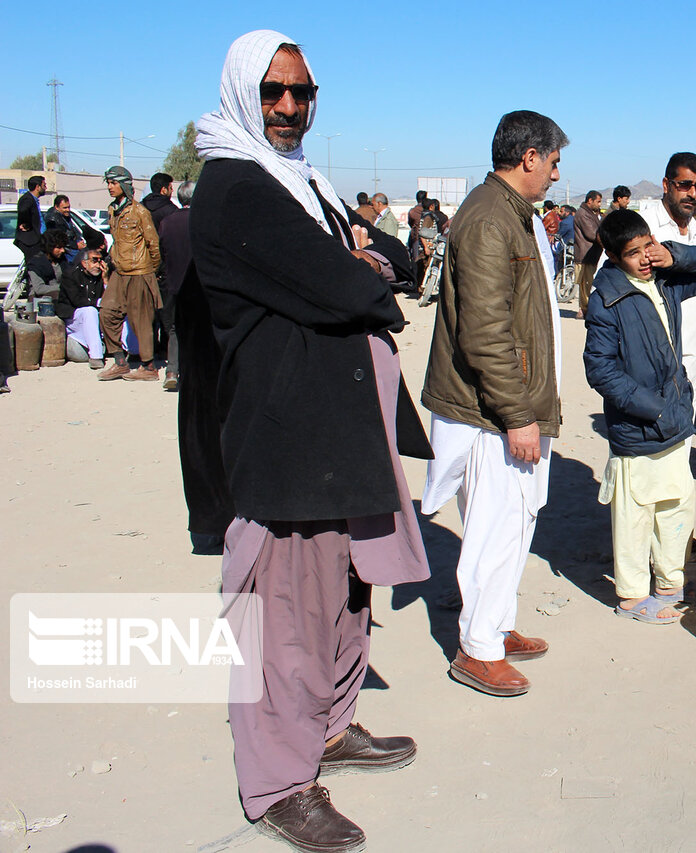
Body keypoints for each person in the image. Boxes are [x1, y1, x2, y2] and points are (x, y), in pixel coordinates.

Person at [185, 32, 431, 851]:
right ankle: (280, 782)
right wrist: (365, 275)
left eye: (302, 91)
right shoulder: (236, 186)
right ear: (242, 95)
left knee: (345, 600)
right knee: (284, 619)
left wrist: (369, 264)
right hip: (286, 438)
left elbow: (387, 255)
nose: (289, 108)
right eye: (273, 93)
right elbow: (345, 284)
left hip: (338, 432)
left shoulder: (303, 183)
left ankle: (330, 727)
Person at [420, 109, 566, 698]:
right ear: (529, 157)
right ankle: (477, 650)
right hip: (490, 413)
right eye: (554, 162)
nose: (557, 174)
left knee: (516, 522)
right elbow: (486, 330)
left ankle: (497, 625)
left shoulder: (511, 214)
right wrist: (517, 414)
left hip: (510, 404)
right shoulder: (487, 220)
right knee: (491, 527)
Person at [583, 210, 696, 622]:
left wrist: (672, 254)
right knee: (634, 513)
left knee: (676, 504)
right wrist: (650, 408)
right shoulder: (607, 299)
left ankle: (670, 584)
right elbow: (600, 369)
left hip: (674, 416)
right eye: (633, 253)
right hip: (638, 424)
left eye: (647, 246)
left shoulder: (664, 279)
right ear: (614, 258)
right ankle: (632, 596)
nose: (643, 259)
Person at [642, 153, 696, 404]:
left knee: (682, 434)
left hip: (692, 357)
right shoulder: (644, 225)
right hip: (653, 358)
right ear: (666, 184)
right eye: (684, 185)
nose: (692, 193)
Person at [97, 165, 164, 382]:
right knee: (107, 312)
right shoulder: (112, 210)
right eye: (108, 183)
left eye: (114, 183)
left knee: (141, 321)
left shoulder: (140, 212)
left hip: (139, 272)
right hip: (119, 271)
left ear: (125, 185)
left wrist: (149, 271)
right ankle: (119, 362)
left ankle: (148, 367)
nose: (110, 187)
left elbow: (153, 244)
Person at [157, 180, 196, 391]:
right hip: (197, 284)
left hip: (173, 283)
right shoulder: (201, 220)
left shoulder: (168, 222)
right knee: (198, 328)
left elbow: (161, 252)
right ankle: (192, 373)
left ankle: (172, 371)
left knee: (174, 328)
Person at [55, 246, 107, 367]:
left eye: (100, 261)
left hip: (95, 316)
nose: (98, 265)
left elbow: (110, 298)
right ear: (84, 263)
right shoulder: (71, 275)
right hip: (73, 316)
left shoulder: (101, 275)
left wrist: (105, 281)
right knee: (90, 311)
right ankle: (96, 357)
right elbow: (78, 301)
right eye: (94, 261)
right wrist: (99, 302)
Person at [573, 190, 603, 318]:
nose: (599, 204)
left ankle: (586, 309)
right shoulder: (583, 214)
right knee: (586, 285)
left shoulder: (592, 214)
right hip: (585, 255)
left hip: (592, 255)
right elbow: (591, 233)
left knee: (589, 283)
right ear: (590, 201)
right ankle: (585, 309)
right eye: (598, 201)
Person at [13, 175, 46, 260]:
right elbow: (23, 210)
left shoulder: (34, 200)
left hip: (37, 240)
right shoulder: (27, 199)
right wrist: (27, 223)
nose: (45, 188)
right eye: (44, 185)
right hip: (30, 242)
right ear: (38, 187)